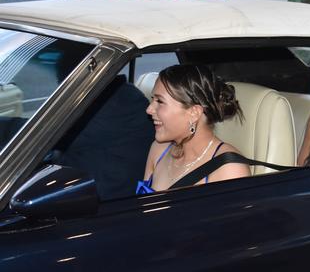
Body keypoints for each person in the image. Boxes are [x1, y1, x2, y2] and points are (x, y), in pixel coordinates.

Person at [136, 64, 250, 194]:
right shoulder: (158, 150)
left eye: (160, 101)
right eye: (152, 99)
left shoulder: (229, 169)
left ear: (194, 113)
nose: (149, 109)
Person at [56, 74, 154, 200]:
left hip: (111, 198)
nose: (151, 110)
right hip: (98, 182)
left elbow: (58, 135)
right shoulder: (110, 94)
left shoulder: (118, 102)